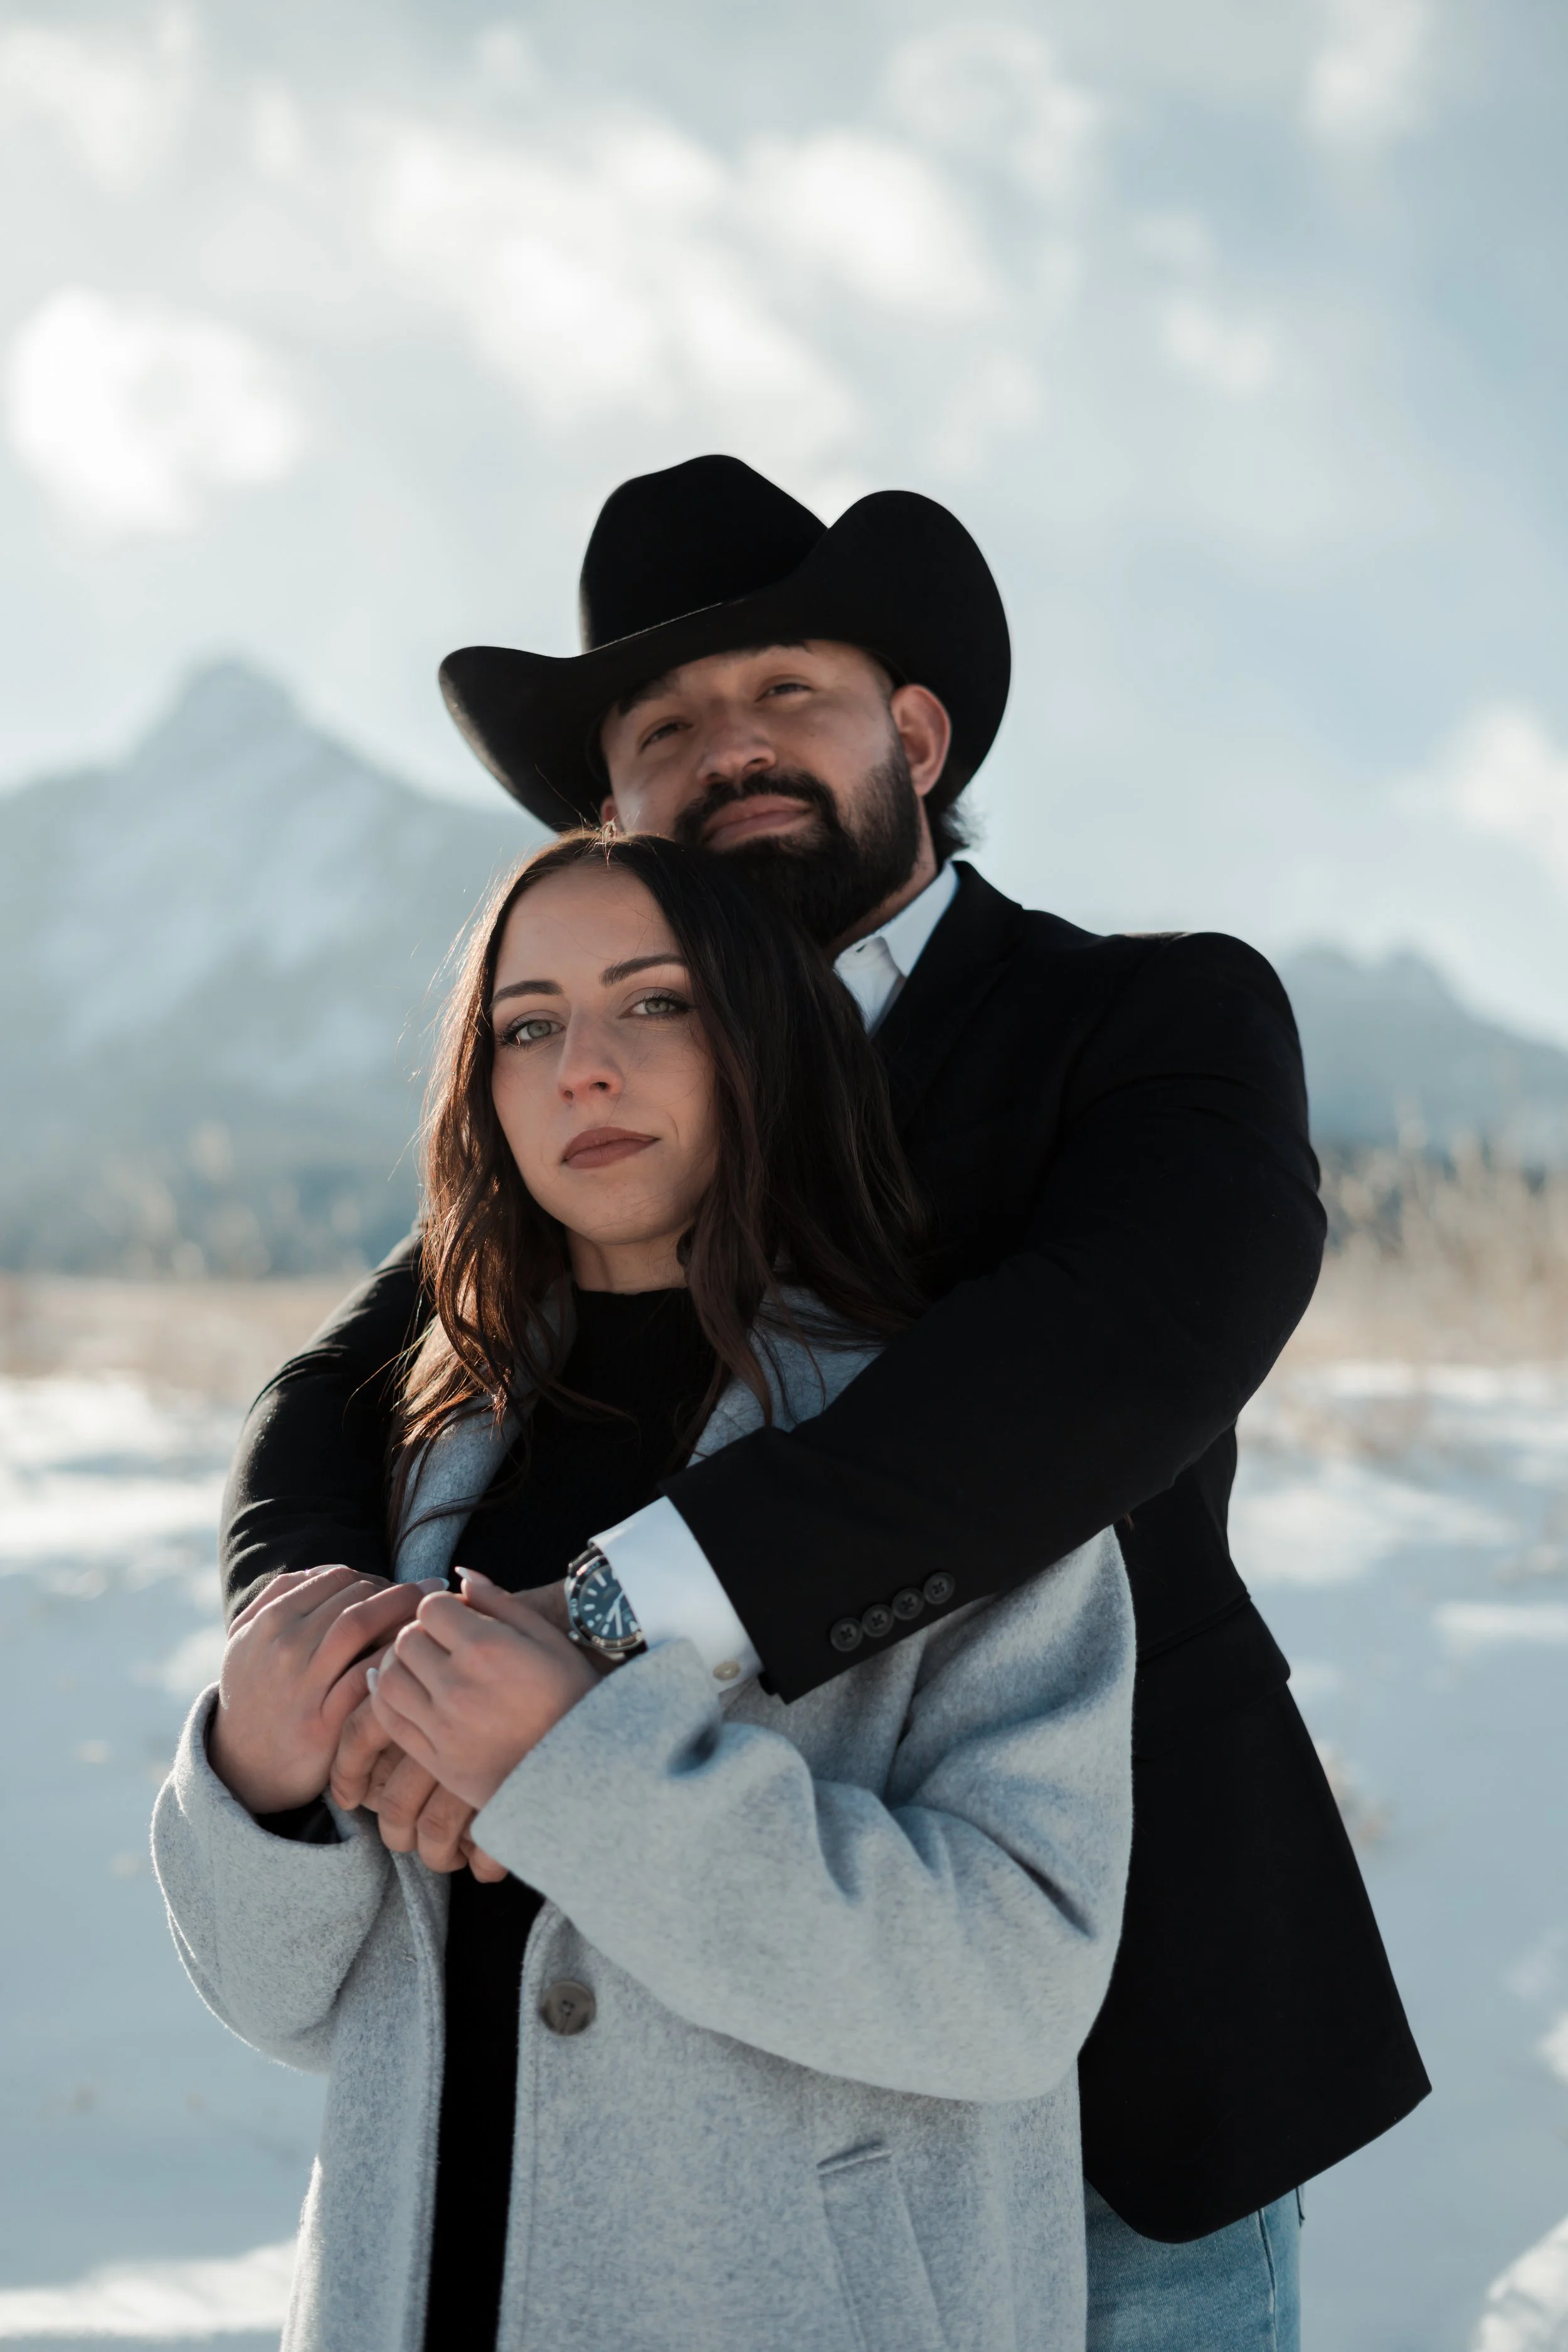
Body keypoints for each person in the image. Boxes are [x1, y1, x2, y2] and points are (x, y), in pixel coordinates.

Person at [221, 456, 1430, 2349]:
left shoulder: (1152, 1020)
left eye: (789, 691)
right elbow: (350, 1382)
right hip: (708, 2108)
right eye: (668, 727)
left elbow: (1092, 1368)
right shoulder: (612, 1100)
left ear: (918, 732)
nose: (733, 752)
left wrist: (600, 1622)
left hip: (1128, 2041)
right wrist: (322, 1650)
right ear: (611, 809)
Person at [154, 832, 1135, 2352]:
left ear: (768, 1036)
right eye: (529, 1025)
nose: (582, 1070)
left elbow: (1011, 1984)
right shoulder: (418, 1449)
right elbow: (292, 2010)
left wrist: (584, 1774)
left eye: (653, 1004)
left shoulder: (944, 1448)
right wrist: (258, 1789)